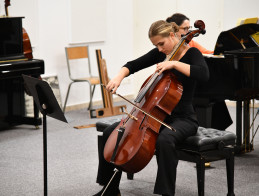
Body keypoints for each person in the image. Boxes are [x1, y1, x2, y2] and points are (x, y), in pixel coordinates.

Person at [94, 20, 209, 196]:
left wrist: (174, 64)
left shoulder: (192, 53)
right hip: (154, 115)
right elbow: (133, 65)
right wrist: (119, 77)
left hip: (183, 119)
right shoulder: (162, 52)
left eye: (161, 44)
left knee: (165, 140)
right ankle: (110, 189)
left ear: (172, 35)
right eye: (156, 45)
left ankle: (166, 193)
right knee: (111, 132)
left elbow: (203, 74)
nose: (160, 49)